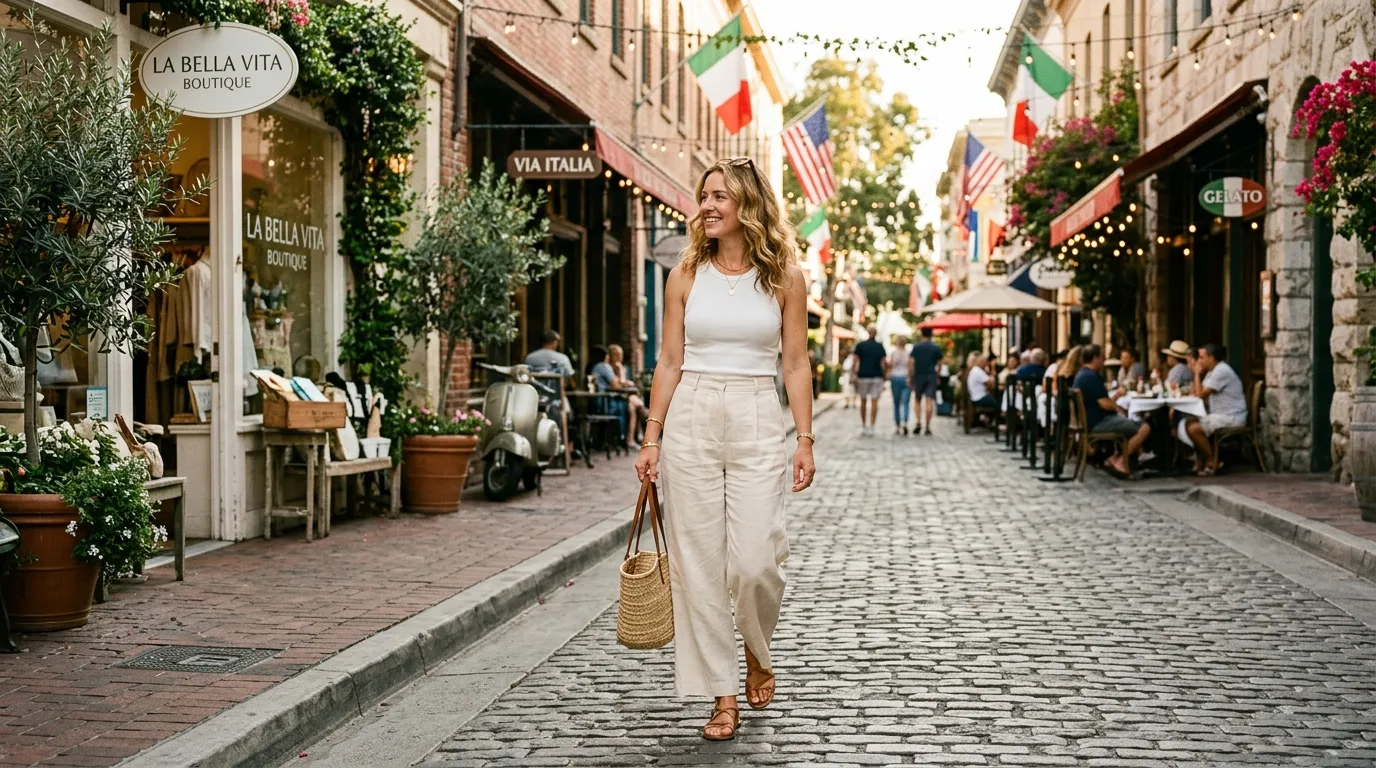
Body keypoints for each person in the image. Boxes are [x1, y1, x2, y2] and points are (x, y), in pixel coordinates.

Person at [633, 156, 815, 742]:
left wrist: (805, 439)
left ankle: (758, 651)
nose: (707, 206)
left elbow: (795, 362)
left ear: (749, 206)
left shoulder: (785, 274)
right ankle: (723, 695)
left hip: (758, 412)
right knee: (700, 566)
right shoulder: (685, 273)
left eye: (720, 197)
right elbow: (668, 360)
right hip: (691, 414)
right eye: (704, 195)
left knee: (757, 560)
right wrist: (652, 436)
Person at [1074, 344, 1152, 477]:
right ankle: (1120, 460)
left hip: (1090, 420)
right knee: (1144, 427)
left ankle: (1119, 458)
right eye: (1101, 357)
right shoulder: (1092, 377)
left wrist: (1115, 401)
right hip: (1099, 422)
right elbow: (1104, 404)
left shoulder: (1081, 375)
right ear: (1095, 358)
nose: (1103, 361)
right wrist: (1117, 408)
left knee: (1128, 421)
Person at [1179, 343, 1249, 475]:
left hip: (1232, 417)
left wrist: (1196, 374)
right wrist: (1197, 375)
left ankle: (1212, 461)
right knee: (1189, 422)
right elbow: (1196, 392)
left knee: (1193, 429)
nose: (1199, 361)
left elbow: (1199, 395)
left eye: (1201, 357)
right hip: (1221, 415)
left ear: (1211, 358)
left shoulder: (1221, 371)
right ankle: (1202, 461)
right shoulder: (1212, 372)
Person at [588, 345, 634, 449]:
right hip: (604, 403)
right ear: (606, 356)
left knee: (631, 405)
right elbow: (617, 385)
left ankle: (623, 440)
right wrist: (620, 371)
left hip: (598, 401)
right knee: (625, 406)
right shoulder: (604, 366)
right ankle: (622, 440)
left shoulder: (594, 367)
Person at [849, 327, 887, 437]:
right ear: (876, 333)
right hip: (876, 376)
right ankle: (872, 426)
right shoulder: (880, 346)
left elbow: (855, 361)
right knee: (874, 402)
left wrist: (852, 375)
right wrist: (884, 377)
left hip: (863, 376)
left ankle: (864, 425)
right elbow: (883, 363)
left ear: (868, 333)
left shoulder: (861, 346)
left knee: (863, 401)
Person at [608, 344, 646, 448]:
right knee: (634, 404)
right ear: (610, 356)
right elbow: (619, 384)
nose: (619, 357)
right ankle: (635, 438)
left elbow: (627, 383)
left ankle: (635, 438)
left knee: (634, 404)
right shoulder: (609, 368)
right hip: (615, 398)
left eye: (620, 354)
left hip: (625, 397)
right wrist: (621, 374)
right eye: (616, 354)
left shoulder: (625, 368)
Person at [908, 327, 942, 435]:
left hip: (919, 375)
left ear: (921, 334)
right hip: (931, 375)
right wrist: (938, 375)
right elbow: (940, 363)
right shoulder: (935, 347)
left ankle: (918, 422)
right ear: (931, 334)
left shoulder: (916, 347)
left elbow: (911, 362)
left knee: (917, 400)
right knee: (929, 401)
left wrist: (910, 376)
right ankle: (927, 426)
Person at [887, 335, 912, 434]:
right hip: (906, 378)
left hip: (895, 377)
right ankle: (905, 422)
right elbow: (910, 367)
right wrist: (910, 378)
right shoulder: (909, 353)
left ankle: (897, 426)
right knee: (906, 402)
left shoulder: (894, 353)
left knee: (896, 403)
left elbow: (891, 366)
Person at [840, 344, 857, 409]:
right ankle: (847, 403)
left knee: (853, 390)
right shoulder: (848, 358)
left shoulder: (854, 359)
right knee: (847, 389)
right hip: (847, 375)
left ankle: (853, 403)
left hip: (851, 375)